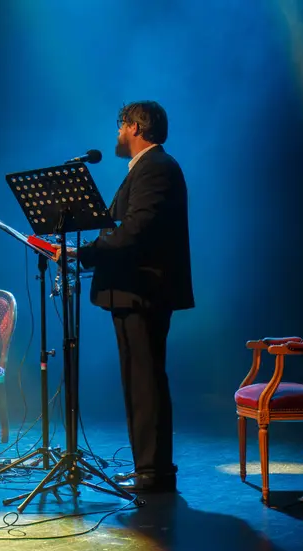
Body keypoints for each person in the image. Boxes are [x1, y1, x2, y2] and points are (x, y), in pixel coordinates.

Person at [70, 101, 194, 493]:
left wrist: (85, 252)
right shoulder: (146, 168)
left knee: (145, 380)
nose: (117, 134)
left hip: (143, 291)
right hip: (130, 291)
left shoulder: (157, 166)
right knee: (138, 379)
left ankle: (154, 472)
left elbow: (136, 229)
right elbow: (125, 229)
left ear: (135, 127)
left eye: (120, 126)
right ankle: (147, 468)